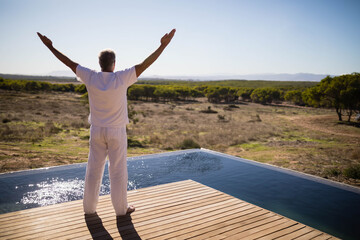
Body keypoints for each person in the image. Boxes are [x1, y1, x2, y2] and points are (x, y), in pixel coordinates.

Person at [37, 29, 176, 216]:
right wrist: (162, 46)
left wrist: (50, 47)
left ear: (99, 63)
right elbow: (144, 65)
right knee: (118, 171)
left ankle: (89, 209)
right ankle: (121, 210)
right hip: (116, 132)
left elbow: (69, 63)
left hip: (97, 131)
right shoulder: (121, 77)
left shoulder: (91, 77)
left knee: (93, 170)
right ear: (114, 63)